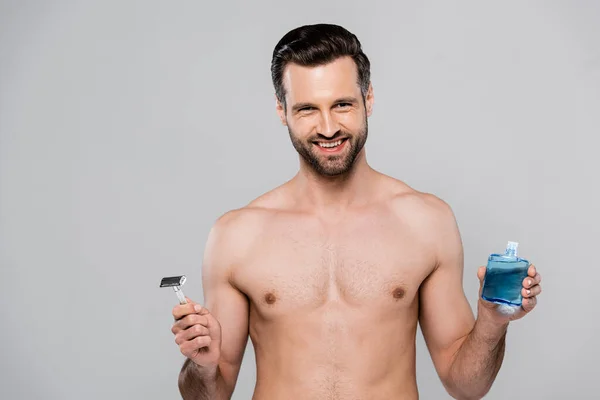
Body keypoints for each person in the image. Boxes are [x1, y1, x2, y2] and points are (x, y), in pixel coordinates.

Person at [170, 23, 542, 400]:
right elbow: (210, 395)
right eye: (307, 109)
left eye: (342, 104)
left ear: (369, 98)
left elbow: (466, 386)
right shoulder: (237, 235)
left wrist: (492, 323)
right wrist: (203, 366)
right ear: (282, 112)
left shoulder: (427, 222)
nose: (328, 127)